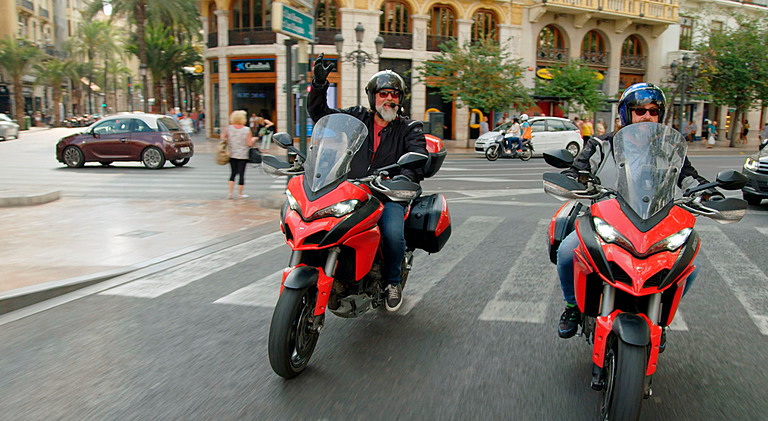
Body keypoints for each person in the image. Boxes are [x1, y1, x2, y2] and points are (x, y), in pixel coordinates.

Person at [554, 83, 722, 347]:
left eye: (653, 111)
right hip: (605, 221)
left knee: (691, 268)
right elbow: (578, 169)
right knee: (566, 251)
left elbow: (689, 177)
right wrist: (572, 179)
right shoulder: (602, 144)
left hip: (655, 225)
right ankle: (572, 306)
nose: (646, 116)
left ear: (660, 115)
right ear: (626, 113)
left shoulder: (668, 149)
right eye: (639, 110)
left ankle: (659, 319)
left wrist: (708, 193)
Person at [308, 53, 428, 312]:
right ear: (373, 97)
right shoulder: (357, 117)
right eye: (383, 93)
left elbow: (418, 162)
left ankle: (393, 282)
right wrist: (318, 85)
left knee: (393, 234)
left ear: (400, 99)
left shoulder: (410, 128)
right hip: (352, 190)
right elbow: (321, 115)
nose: (389, 99)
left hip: (388, 195)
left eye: (394, 95)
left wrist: (400, 179)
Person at [221, 110, 257, 199]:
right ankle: (240, 194)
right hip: (243, 155)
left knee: (233, 173)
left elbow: (223, 138)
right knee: (241, 174)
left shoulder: (229, 128)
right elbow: (249, 144)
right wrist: (254, 139)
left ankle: (230, 193)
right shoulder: (246, 130)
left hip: (231, 153)